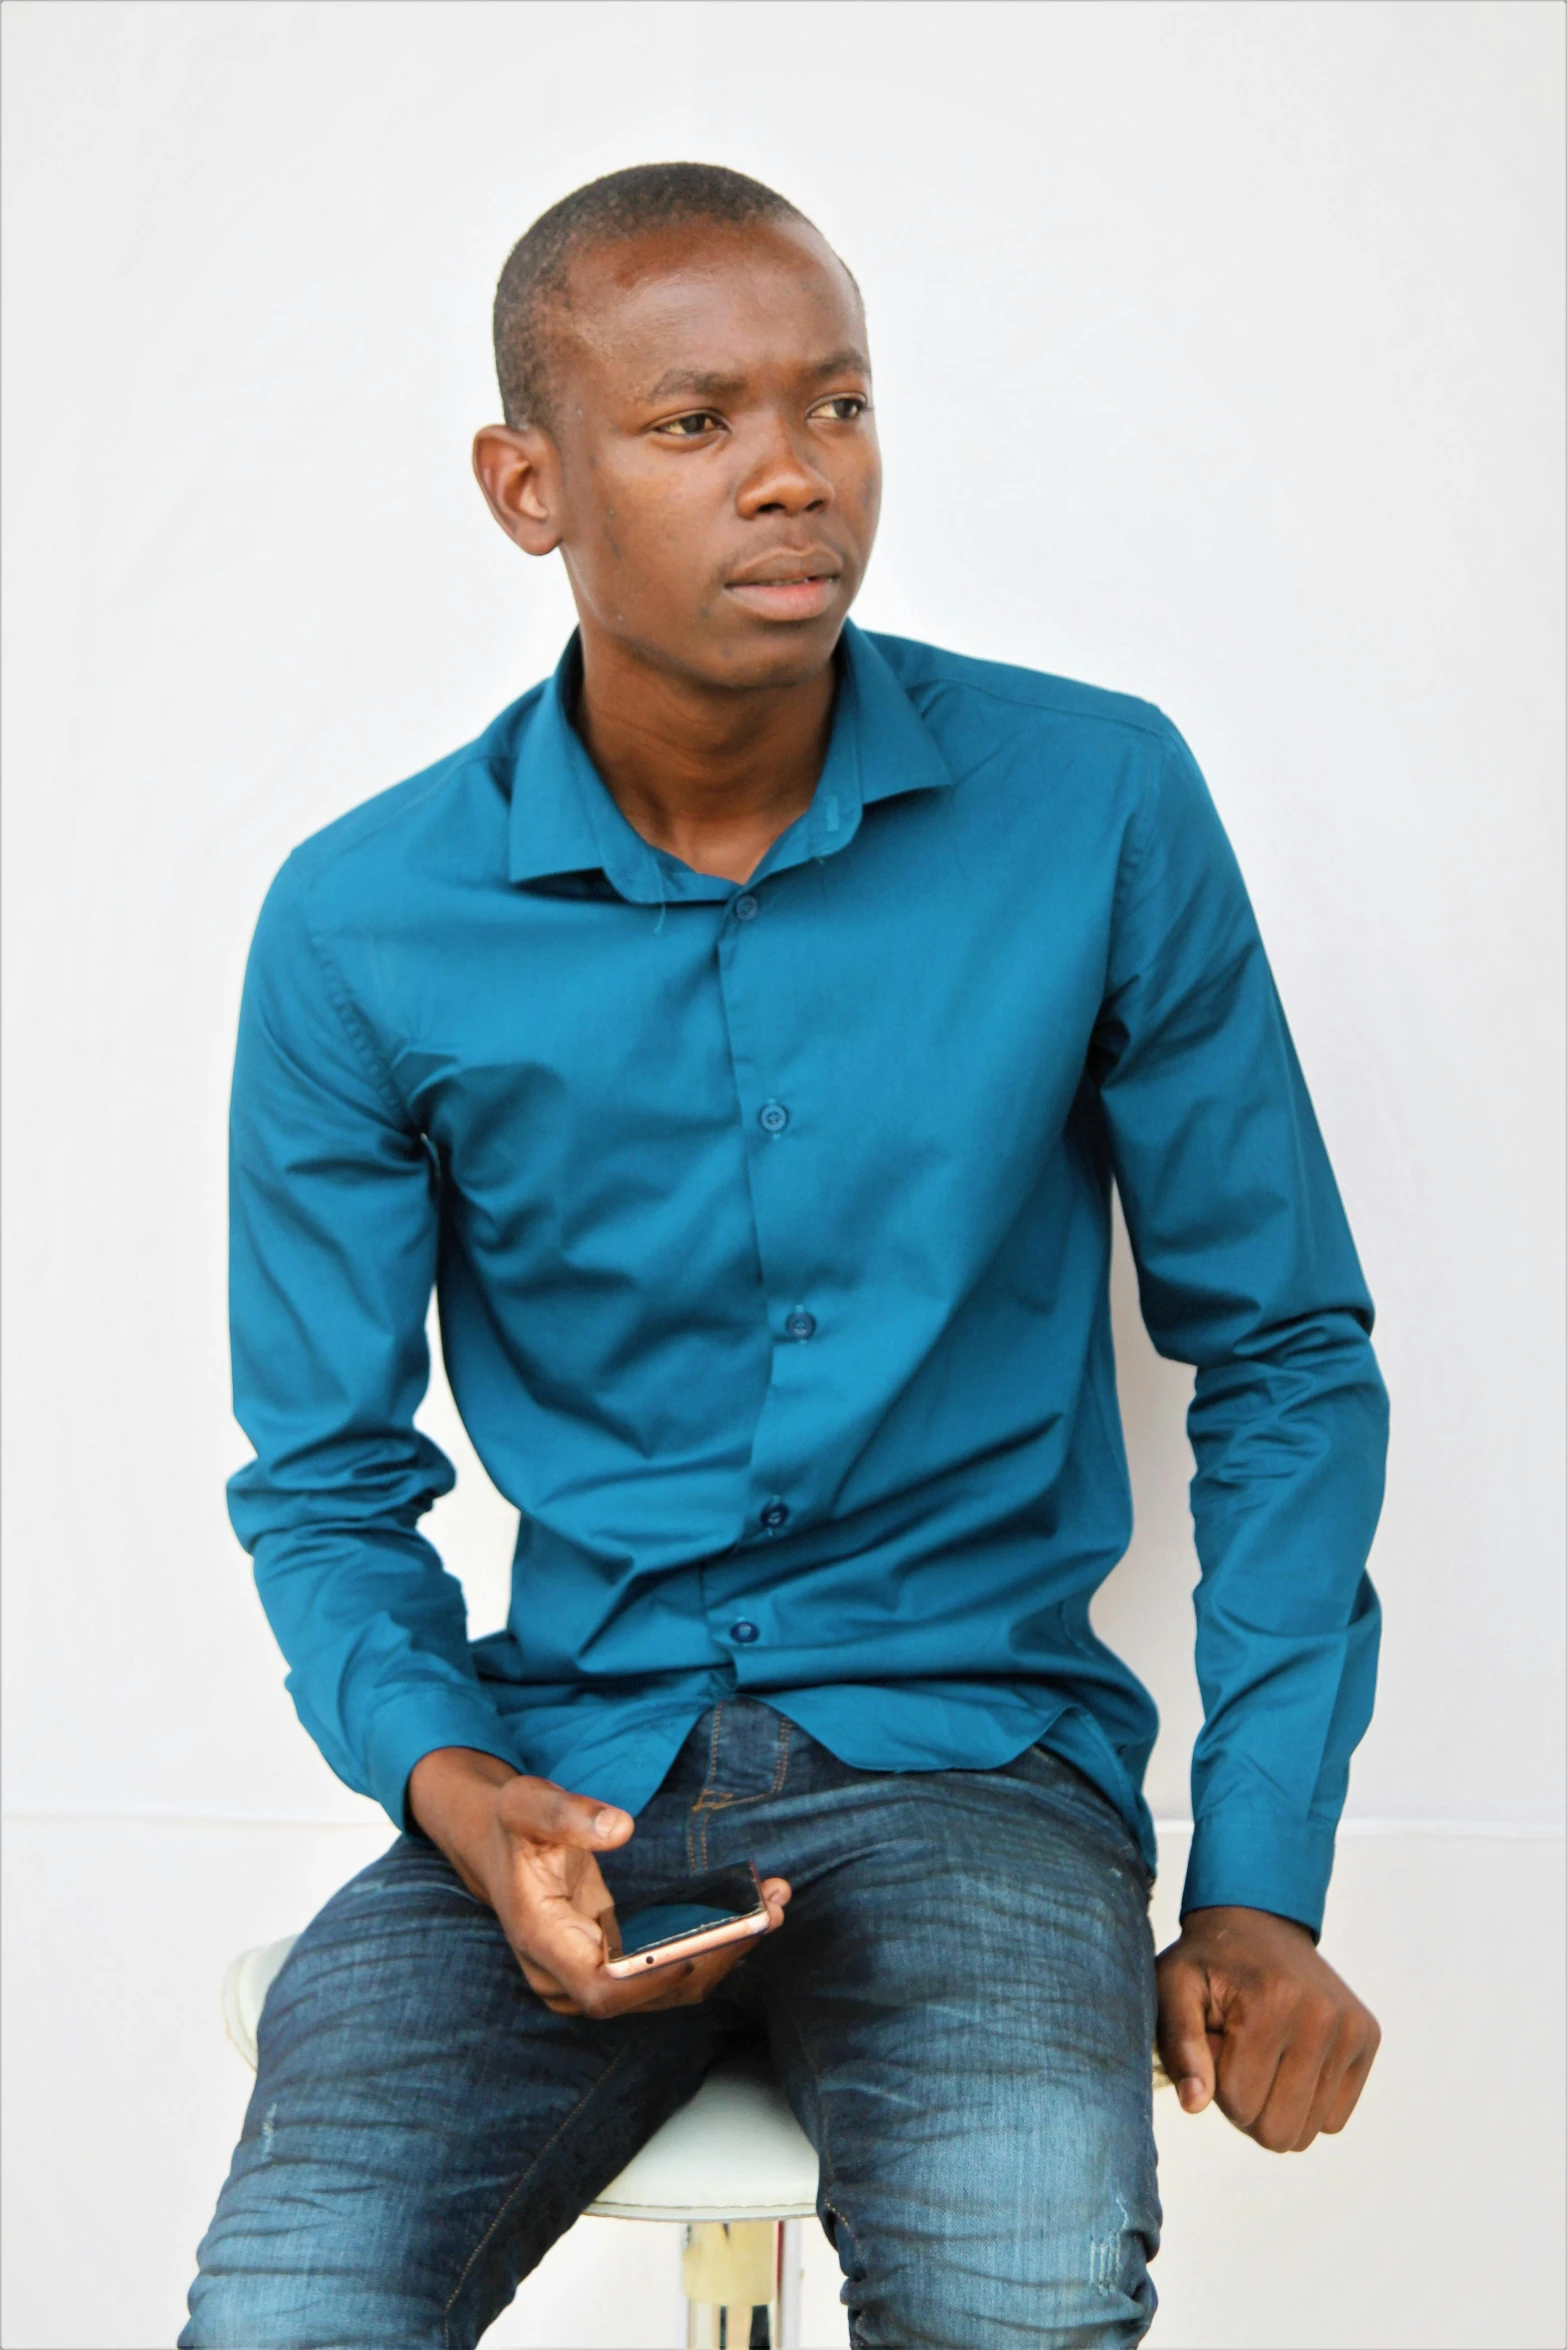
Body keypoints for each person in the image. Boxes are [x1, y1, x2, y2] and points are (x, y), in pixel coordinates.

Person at [183, 162, 1387, 2350]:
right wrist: (466, 1801)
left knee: (1025, 2303)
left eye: (835, 406)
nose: (789, 476)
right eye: (696, 422)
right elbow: (327, 1477)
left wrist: (1261, 1875)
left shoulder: (1095, 802)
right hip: (569, 1762)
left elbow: (1288, 1346)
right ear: (525, 484)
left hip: (974, 1766)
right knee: (285, 2311)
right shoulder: (362, 925)